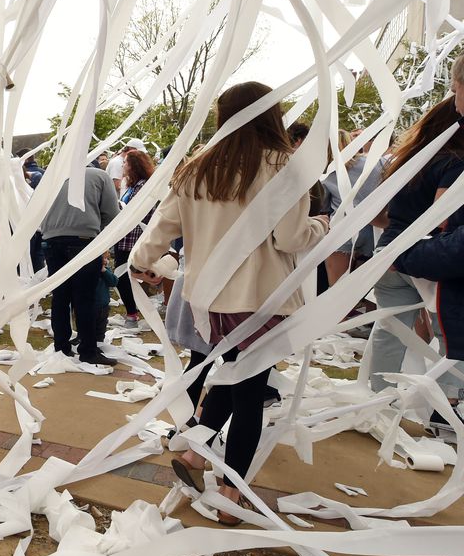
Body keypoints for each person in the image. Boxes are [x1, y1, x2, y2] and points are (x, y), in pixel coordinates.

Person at [132, 82, 328, 524]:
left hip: (210, 303)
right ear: (272, 116)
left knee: (235, 376)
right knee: (249, 392)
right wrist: (321, 226)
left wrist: (141, 263)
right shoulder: (284, 167)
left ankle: (199, 455)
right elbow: (291, 238)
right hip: (263, 299)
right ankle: (232, 492)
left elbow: (161, 228)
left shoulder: (198, 168)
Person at [368, 81, 464, 403]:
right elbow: (442, 218)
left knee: (390, 328)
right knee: (448, 334)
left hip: (389, 253)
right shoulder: (455, 163)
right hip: (423, 258)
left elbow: (378, 215)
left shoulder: (408, 160)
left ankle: (377, 396)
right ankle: (446, 409)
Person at [41, 163, 121, 367]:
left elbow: (37, 210)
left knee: (60, 297)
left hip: (52, 241)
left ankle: (61, 347)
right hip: (84, 240)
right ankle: (88, 350)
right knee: (84, 298)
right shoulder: (100, 176)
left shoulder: (54, 177)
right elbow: (112, 213)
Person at [112, 149, 156, 326]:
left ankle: (132, 314)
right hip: (124, 236)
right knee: (124, 275)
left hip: (133, 237)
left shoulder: (143, 186)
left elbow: (139, 212)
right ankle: (133, 311)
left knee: (122, 275)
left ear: (134, 166)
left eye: (125, 162)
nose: (122, 165)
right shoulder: (133, 185)